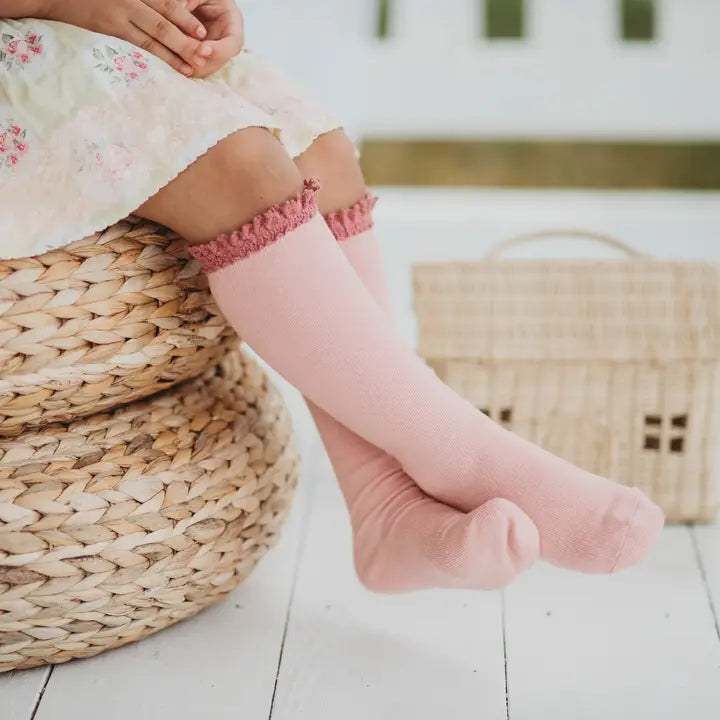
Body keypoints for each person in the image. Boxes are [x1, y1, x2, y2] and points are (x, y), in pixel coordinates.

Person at [0, 0, 664, 594]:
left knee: (317, 148)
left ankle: (379, 503)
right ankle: (463, 453)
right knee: (240, 163)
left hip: (83, 36)